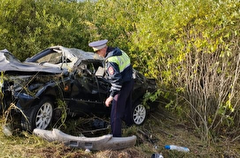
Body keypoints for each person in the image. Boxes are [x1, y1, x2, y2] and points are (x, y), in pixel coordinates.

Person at [89, 39, 134, 137]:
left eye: (98, 51)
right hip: (130, 82)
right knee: (127, 107)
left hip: (121, 86)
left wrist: (111, 97)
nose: (98, 54)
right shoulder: (120, 52)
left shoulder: (111, 61)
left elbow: (117, 82)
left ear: (104, 49)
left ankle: (116, 137)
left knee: (115, 113)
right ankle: (130, 128)